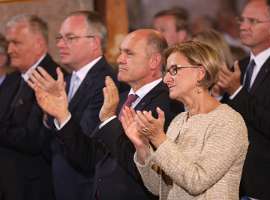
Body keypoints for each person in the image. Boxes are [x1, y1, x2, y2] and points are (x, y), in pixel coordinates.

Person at [29, 29, 183, 199]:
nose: (119, 60)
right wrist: (63, 115)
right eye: (120, 52)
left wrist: (109, 119)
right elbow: (89, 158)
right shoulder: (121, 98)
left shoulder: (167, 103)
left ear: (154, 61)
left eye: (129, 54)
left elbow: (143, 168)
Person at [121, 40, 248, 200]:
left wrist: (159, 139)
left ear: (200, 73)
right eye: (166, 72)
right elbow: (158, 188)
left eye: (174, 70)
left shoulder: (228, 121)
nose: (166, 79)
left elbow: (197, 182)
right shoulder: (179, 121)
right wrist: (142, 146)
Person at [31, 11, 118, 200]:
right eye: (59, 38)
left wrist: (61, 114)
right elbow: (49, 145)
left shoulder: (106, 82)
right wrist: (49, 115)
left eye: (70, 38)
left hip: (87, 190)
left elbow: (88, 153)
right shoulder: (67, 79)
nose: (60, 44)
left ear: (94, 42)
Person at [217, 0, 270, 199]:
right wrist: (219, 96)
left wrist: (236, 91)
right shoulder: (241, 65)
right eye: (242, 20)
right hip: (237, 178)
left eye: (252, 21)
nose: (243, 26)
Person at [0, 14, 57, 200]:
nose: (9, 50)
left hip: (33, 189)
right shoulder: (12, 79)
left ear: (39, 43)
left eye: (16, 43)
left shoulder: (53, 79)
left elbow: (34, 139)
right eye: (8, 43)